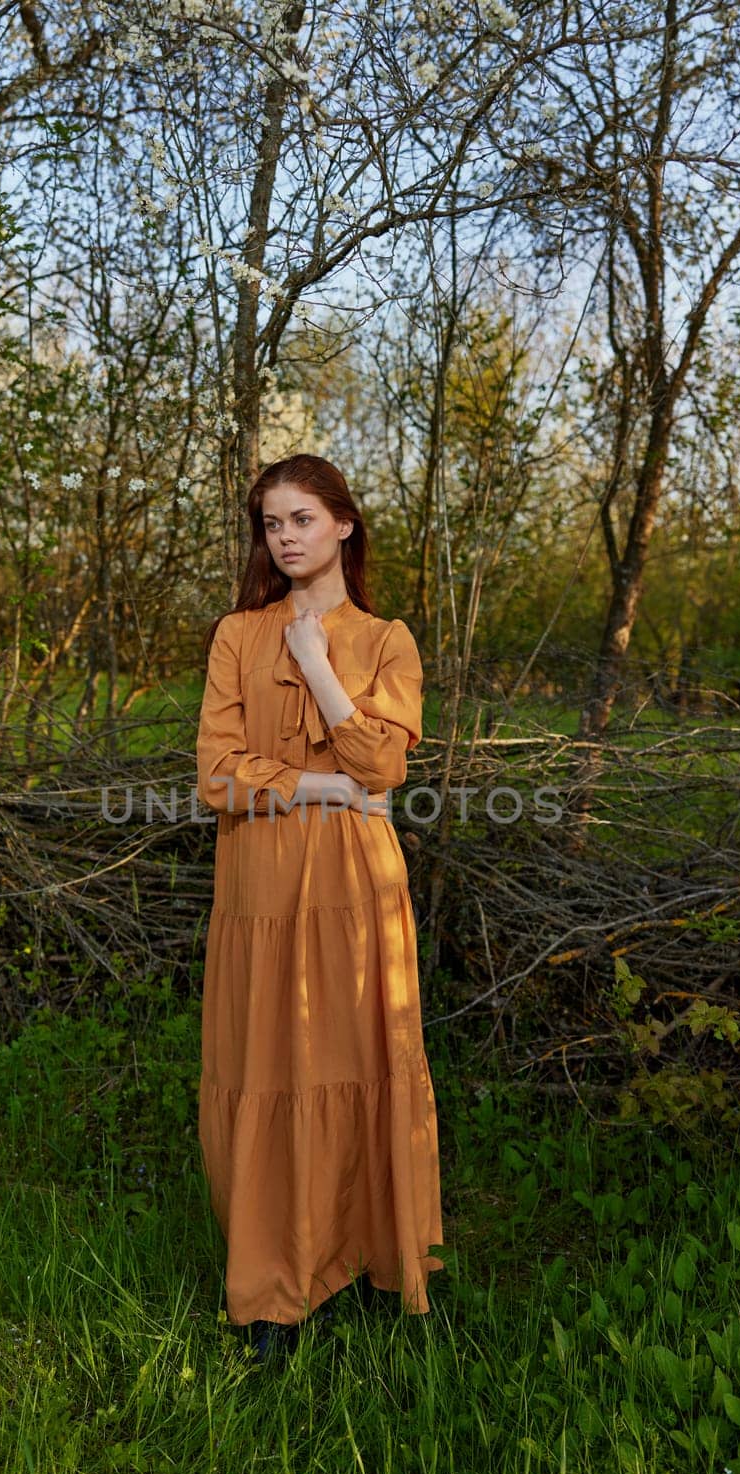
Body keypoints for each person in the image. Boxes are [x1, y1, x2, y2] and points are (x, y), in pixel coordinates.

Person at [195, 453, 445, 1367]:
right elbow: (218, 778)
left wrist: (316, 662)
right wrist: (327, 788)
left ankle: (371, 1260)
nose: (286, 537)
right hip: (260, 880)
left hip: (354, 891)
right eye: (271, 524)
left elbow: (386, 767)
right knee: (267, 1066)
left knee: (353, 1057)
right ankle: (268, 1292)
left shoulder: (388, 641)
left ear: (343, 524)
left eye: (302, 519)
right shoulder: (235, 635)